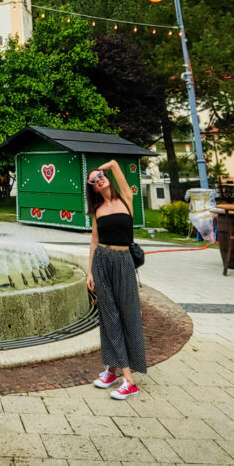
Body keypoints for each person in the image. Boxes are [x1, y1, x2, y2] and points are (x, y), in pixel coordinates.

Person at [86, 159, 146, 399]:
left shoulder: (125, 200)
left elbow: (121, 177)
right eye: (93, 181)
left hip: (123, 262)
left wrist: (110, 165)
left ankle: (123, 375)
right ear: (93, 189)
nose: (98, 179)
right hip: (102, 260)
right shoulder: (98, 210)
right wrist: (89, 271)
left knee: (128, 314)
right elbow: (93, 241)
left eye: (99, 176)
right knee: (109, 316)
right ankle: (117, 373)